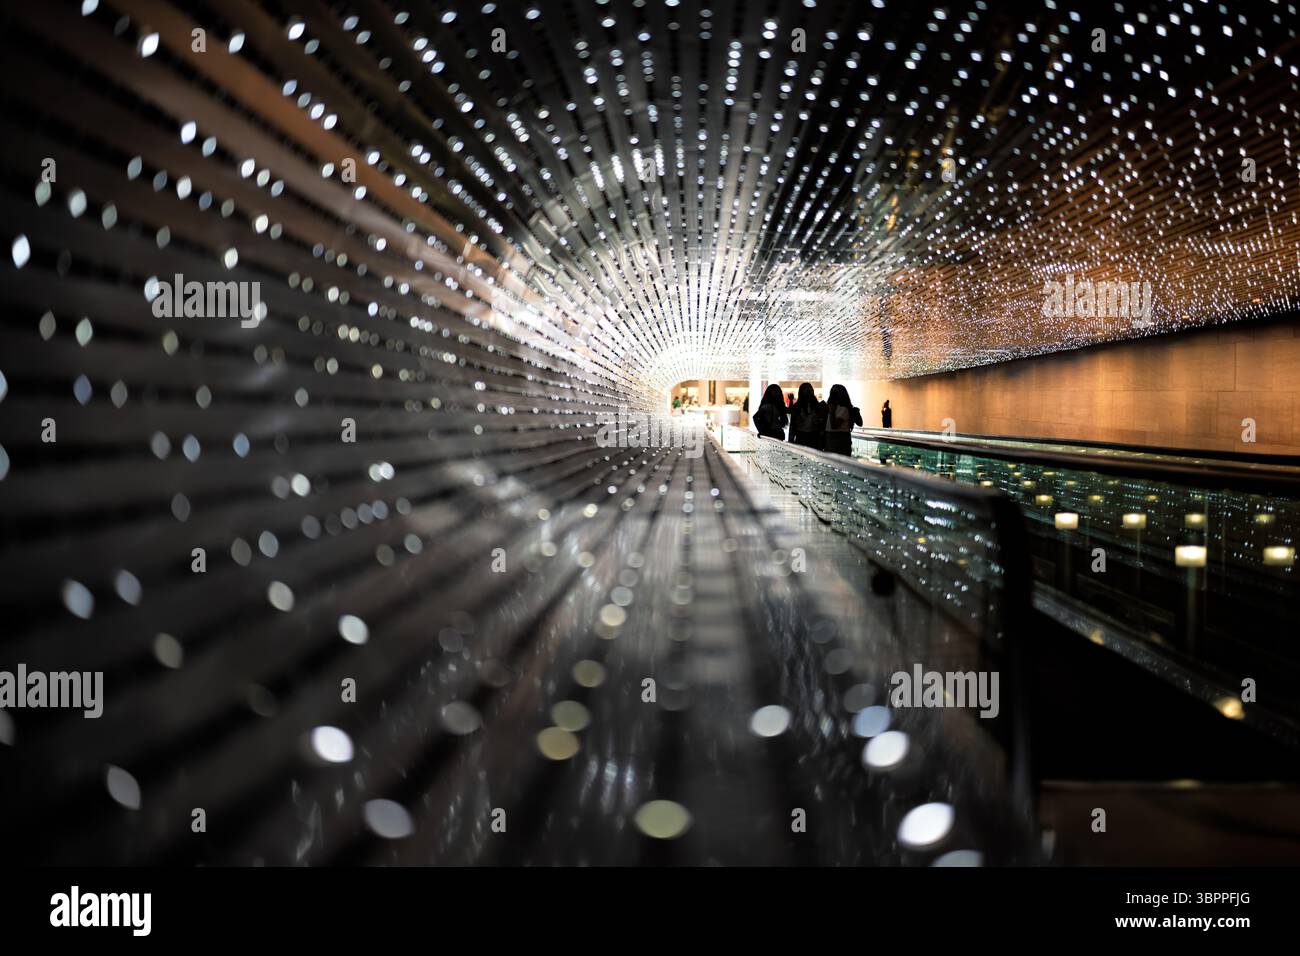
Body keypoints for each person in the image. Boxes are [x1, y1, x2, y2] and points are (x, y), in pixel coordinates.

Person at [824, 384, 863, 455]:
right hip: (833, 440)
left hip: (838, 441)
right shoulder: (832, 407)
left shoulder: (843, 409)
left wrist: (832, 411)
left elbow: (834, 426)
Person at [788, 382, 827, 450]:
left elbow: (821, 423)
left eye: (810, 388)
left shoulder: (817, 406)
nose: (809, 391)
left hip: (813, 436)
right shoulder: (798, 406)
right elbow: (793, 425)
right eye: (806, 389)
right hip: (803, 436)